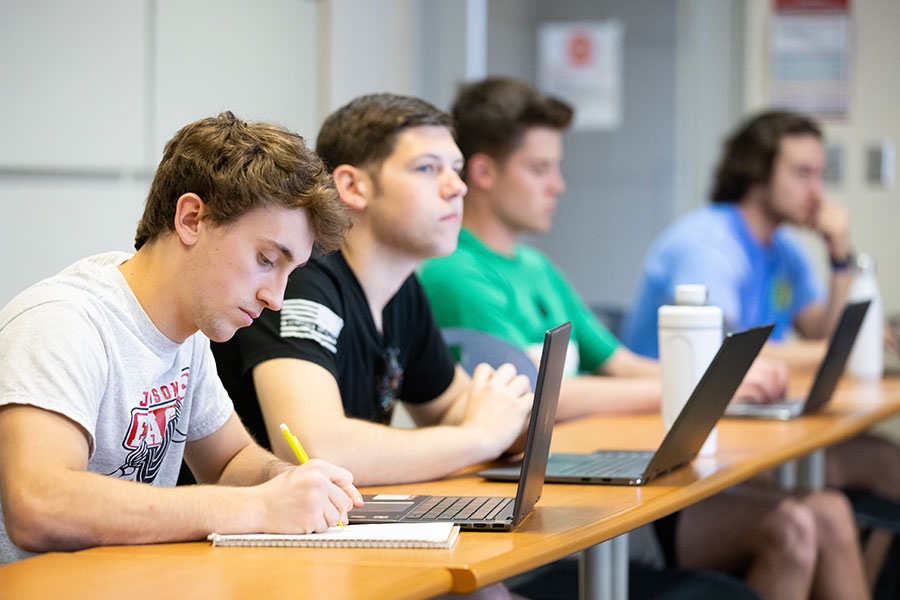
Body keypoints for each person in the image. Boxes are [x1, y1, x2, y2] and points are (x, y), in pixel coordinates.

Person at [418, 77, 868, 599]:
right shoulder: (456, 272)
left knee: (808, 518)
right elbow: (544, 395)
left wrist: (712, 379)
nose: (559, 185)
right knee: (796, 522)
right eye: (541, 169)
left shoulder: (535, 265)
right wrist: (694, 387)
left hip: (593, 480)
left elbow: (619, 362)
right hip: (543, 509)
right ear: (485, 173)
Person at [0, 112, 363, 566]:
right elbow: (39, 505)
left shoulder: (187, 333)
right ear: (192, 218)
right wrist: (257, 506)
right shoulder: (62, 322)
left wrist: (291, 482)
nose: (276, 299)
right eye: (267, 259)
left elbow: (230, 461)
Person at [211, 94, 533, 487]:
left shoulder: (402, 288)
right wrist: (477, 438)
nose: (457, 188)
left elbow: (451, 407)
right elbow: (315, 449)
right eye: (428, 168)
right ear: (353, 186)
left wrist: (509, 417)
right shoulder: (301, 277)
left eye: (457, 169)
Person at [622, 110, 852, 371]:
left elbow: (819, 332)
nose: (816, 191)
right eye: (802, 173)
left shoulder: (784, 248)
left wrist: (840, 259)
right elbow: (725, 356)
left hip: (738, 400)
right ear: (757, 173)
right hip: (665, 406)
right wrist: (839, 350)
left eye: (819, 174)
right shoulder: (707, 246)